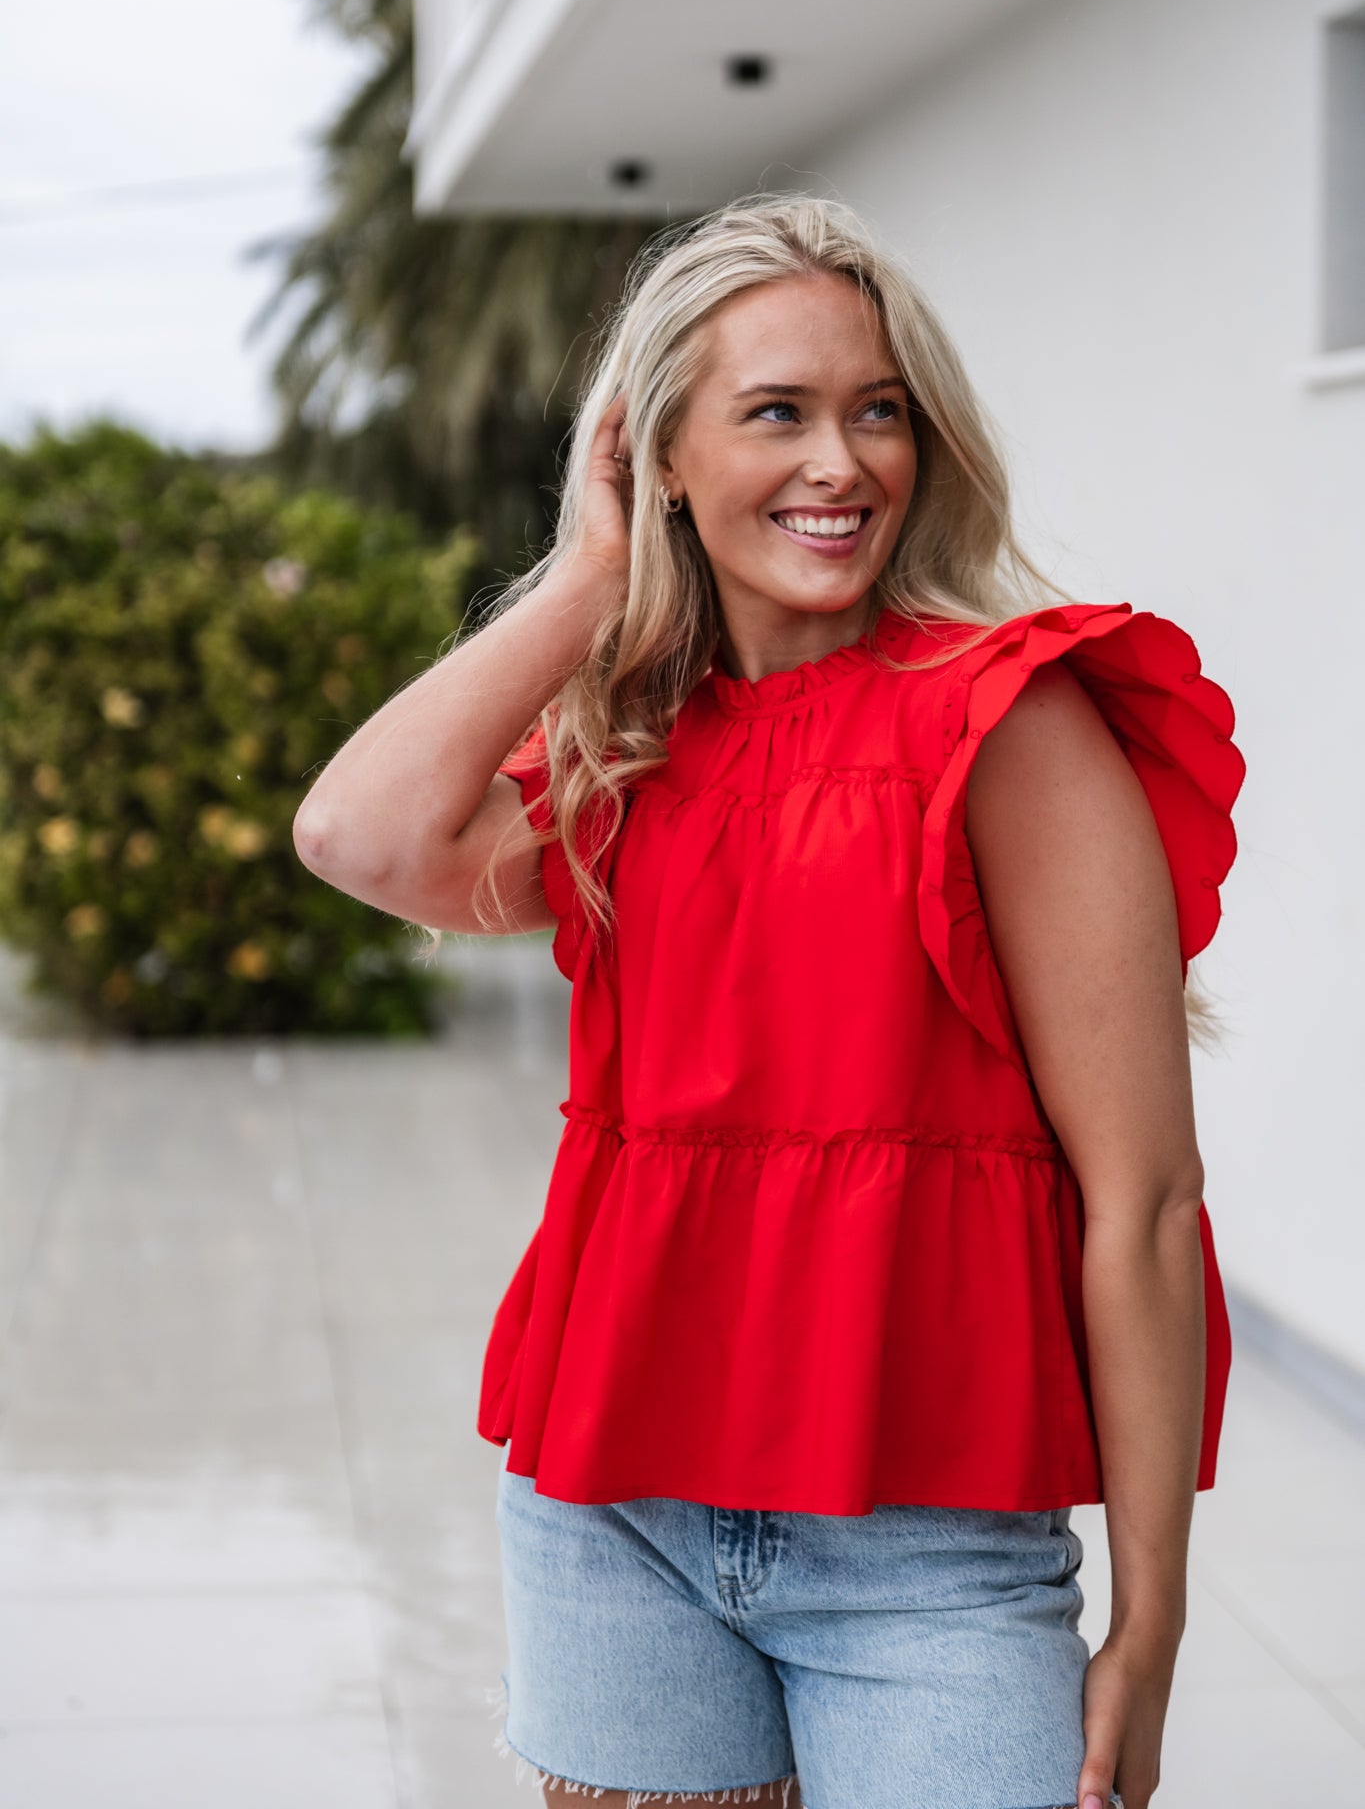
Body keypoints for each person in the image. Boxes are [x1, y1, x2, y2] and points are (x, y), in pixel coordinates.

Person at [293, 194, 1245, 1809]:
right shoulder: (628, 744)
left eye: (878, 411)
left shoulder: (1005, 722)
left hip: (924, 1559)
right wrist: (591, 574)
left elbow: (1143, 1202)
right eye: (776, 413)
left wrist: (1147, 1626)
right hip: (614, 1523)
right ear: (660, 453)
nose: (840, 462)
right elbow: (356, 837)